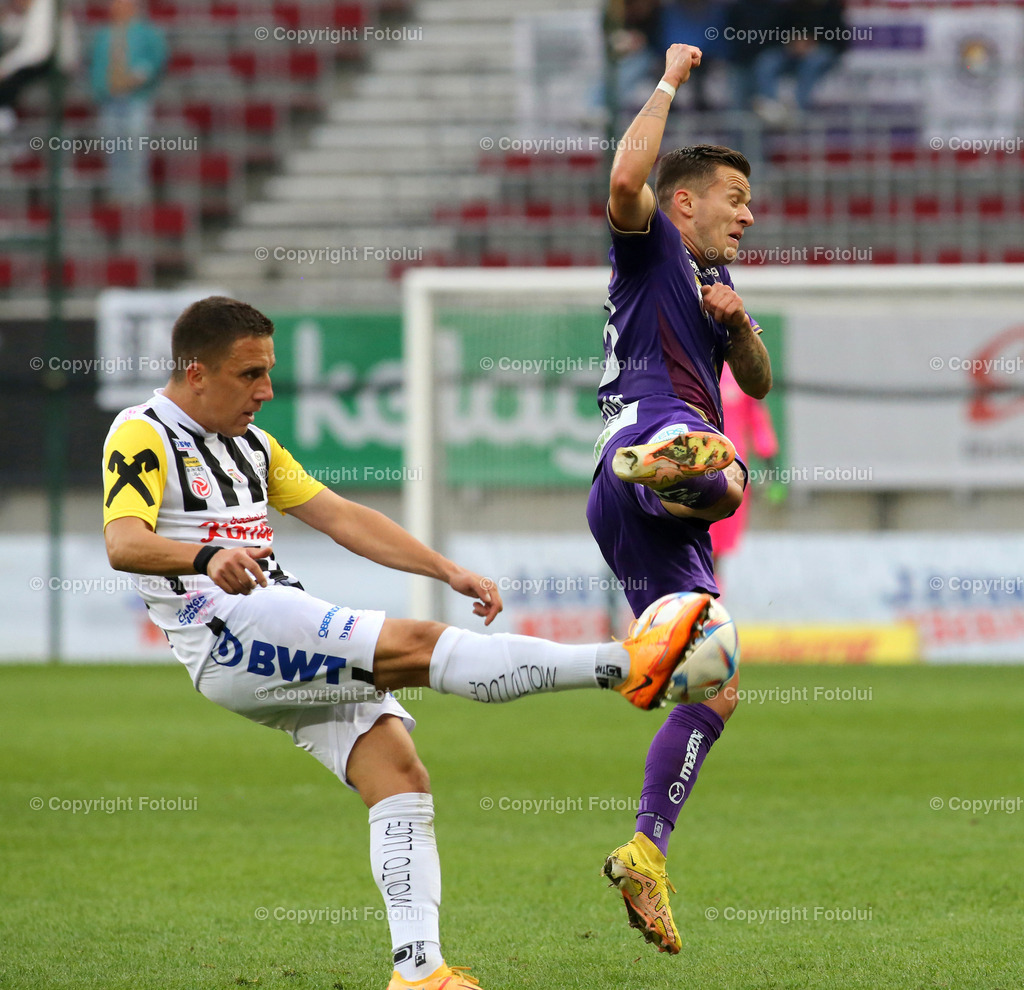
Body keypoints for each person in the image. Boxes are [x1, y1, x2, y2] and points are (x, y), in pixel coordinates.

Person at [101, 296, 711, 990]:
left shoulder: (253, 446)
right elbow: (123, 542)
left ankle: (418, 970)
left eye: (268, 372)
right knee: (419, 646)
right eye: (249, 375)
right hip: (228, 631)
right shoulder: (142, 432)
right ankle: (626, 664)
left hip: (268, 627)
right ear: (196, 373)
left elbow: (342, 517)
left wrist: (445, 569)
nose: (266, 390)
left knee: (396, 771)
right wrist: (206, 556)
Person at [585, 44, 772, 953]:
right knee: (733, 478)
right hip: (653, 425)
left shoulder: (717, 285)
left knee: (716, 684)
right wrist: (668, 82)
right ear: (686, 202)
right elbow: (627, 179)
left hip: (621, 496)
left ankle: (645, 853)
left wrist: (739, 327)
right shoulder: (654, 240)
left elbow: (759, 381)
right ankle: (686, 467)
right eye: (735, 198)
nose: (749, 214)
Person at [88, 0, 166, 200]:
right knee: (112, 145)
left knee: (136, 144)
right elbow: (94, 64)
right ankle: (117, 191)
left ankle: (136, 191)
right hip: (109, 98)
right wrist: (100, 88)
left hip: (136, 98)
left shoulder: (146, 32)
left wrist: (140, 75)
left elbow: (157, 58)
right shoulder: (104, 34)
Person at [709, 362, 779, 577]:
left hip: (732, 469)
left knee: (720, 539)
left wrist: (769, 467)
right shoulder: (684, 372)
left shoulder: (738, 376)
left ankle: (710, 590)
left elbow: (757, 420)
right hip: (693, 465)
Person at [0, 0, 78, 134]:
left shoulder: (45, 6)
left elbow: (38, 50)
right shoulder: (39, 7)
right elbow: (26, 30)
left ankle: (5, 114)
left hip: (55, 63)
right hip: (47, 59)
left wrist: (6, 66)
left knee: (13, 79)